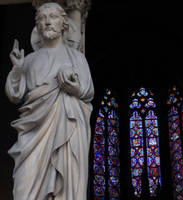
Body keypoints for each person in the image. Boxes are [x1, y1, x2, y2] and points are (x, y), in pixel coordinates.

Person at [5, 3, 94, 200]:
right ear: (37, 26)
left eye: (53, 16)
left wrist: (72, 87)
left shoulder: (77, 58)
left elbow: (87, 92)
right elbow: (15, 95)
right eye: (42, 18)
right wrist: (18, 70)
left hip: (68, 126)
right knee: (23, 187)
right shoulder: (29, 60)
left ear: (64, 23)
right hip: (33, 132)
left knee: (67, 185)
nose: (47, 22)